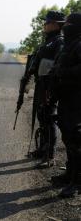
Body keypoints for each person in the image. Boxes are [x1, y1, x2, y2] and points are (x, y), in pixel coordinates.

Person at [17, 11, 65, 167]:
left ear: (56, 24)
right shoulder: (47, 41)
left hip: (49, 87)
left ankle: (50, 156)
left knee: (49, 118)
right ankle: (43, 149)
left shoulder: (59, 42)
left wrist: (51, 86)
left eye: (47, 22)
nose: (44, 24)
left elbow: (57, 65)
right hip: (40, 85)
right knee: (42, 117)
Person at [50, 12, 81, 198]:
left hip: (77, 101)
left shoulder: (79, 44)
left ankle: (76, 182)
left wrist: (64, 72)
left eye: (68, 23)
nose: (65, 26)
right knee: (68, 139)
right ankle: (70, 174)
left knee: (76, 141)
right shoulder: (69, 44)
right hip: (66, 98)